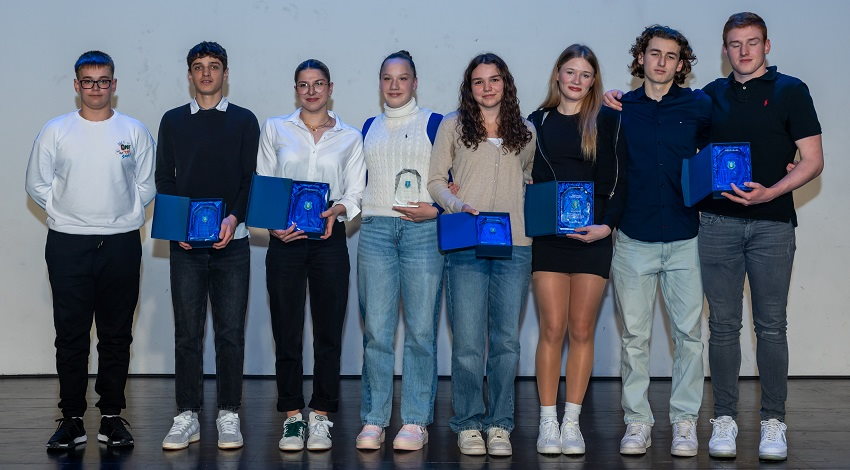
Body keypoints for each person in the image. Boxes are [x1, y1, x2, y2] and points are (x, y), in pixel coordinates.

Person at [697, 12, 823, 461]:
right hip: (717, 224)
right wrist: (619, 102)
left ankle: (773, 421)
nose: (744, 51)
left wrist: (772, 190)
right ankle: (724, 419)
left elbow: (813, 160)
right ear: (725, 49)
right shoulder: (709, 95)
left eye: (752, 42)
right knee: (723, 326)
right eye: (735, 43)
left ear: (766, 46)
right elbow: (682, 145)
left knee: (771, 326)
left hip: (773, 224)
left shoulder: (792, 90)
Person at [26, 50, 155, 450]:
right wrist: (68, 214)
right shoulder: (55, 131)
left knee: (116, 335)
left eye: (103, 81)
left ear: (113, 85)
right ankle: (71, 419)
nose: (96, 88)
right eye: (88, 81)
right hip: (68, 244)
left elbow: (147, 184)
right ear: (76, 85)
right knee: (71, 336)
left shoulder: (133, 130)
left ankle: (112, 417)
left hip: (121, 243)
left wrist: (121, 216)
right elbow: (37, 184)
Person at [605, 26, 711, 458]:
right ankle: (637, 422)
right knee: (635, 337)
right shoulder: (620, 109)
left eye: (671, 56)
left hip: (686, 238)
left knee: (690, 336)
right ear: (641, 58)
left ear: (681, 64)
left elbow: (728, 151)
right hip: (634, 238)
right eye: (654, 53)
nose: (662, 62)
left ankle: (684, 422)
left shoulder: (700, 106)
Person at [427, 52, 535, 457]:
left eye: (494, 80)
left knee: (506, 342)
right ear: (469, 87)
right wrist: (457, 205)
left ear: (506, 83)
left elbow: (527, 178)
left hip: (515, 246)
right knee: (469, 343)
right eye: (478, 81)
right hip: (466, 244)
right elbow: (435, 181)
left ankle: (500, 424)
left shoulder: (526, 131)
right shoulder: (453, 126)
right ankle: (469, 423)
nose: (487, 87)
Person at [257, 59, 366, 452]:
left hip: (328, 242)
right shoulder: (275, 128)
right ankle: (292, 416)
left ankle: (321, 415)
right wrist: (272, 225)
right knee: (286, 331)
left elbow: (356, 191)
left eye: (318, 84)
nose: (311, 91)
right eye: (304, 85)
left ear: (330, 88)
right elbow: (265, 182)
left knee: (328, 332)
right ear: (296, 90)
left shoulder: (350, 137)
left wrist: (339, 210)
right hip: (284, 242)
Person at [155, 41, 260, 451]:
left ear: (225, 73)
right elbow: (164, 178)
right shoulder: (172, 121)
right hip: (186, 247)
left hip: (233, 243)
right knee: (187, 333)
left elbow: (250, 179)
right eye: (198, 66)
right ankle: (187, 414)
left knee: (230, 333)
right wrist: (176, 224)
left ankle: (229, 413)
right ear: (189, 74)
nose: (206, 73)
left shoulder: (245, 121)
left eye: (214, 66)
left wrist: (234, 219)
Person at [527, 44, 627, 456]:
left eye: (585, 75)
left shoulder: (609, 119)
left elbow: (621, 180)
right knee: (552, 329)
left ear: (593, 81)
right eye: (570, 72)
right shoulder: (536, 122)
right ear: (557, 74)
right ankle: (547, 421)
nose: (576, 80)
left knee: (582, 330)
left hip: (593, 239)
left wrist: (606, 226)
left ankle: (572, 422)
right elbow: (520, 175)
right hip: (549, 240)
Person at [355, 50, 444, 451]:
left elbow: (452, 181)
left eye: (402, 77)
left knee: (421, 331)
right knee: (377, 331)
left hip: (422, 232)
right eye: (387, 78)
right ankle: (374, 420)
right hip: (375, 231)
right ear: (380, 83)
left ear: (415, 82)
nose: (394, 85)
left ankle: (414, 421)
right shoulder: (369, 126)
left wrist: (436, 209)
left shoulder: (435, 123)